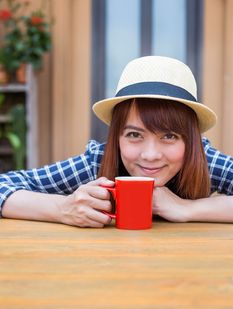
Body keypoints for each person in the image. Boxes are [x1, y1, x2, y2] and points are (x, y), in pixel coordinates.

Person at [0, 55, 233, 227]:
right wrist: (62, 208)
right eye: (134, 135)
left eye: (169, 136)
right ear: (117, 136)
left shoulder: (203, 160)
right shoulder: (98, 162)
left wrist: (186, 208)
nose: (150, 155)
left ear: (191, 141)